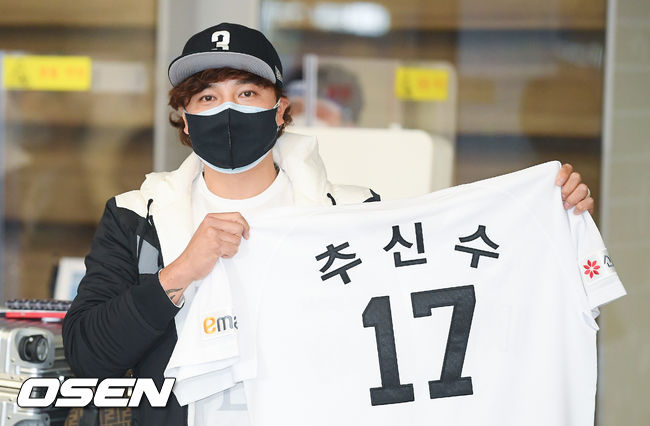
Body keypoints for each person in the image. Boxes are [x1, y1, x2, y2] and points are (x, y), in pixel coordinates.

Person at [62, 22, 595, 425]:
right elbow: (87, 355)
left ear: (280, 109)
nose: (228, 110)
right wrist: (178, 274)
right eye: (207, 97)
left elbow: (438, 318)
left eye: (246, 93)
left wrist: (548, 218)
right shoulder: (136, 218)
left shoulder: (353, 213)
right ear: (184, 119)